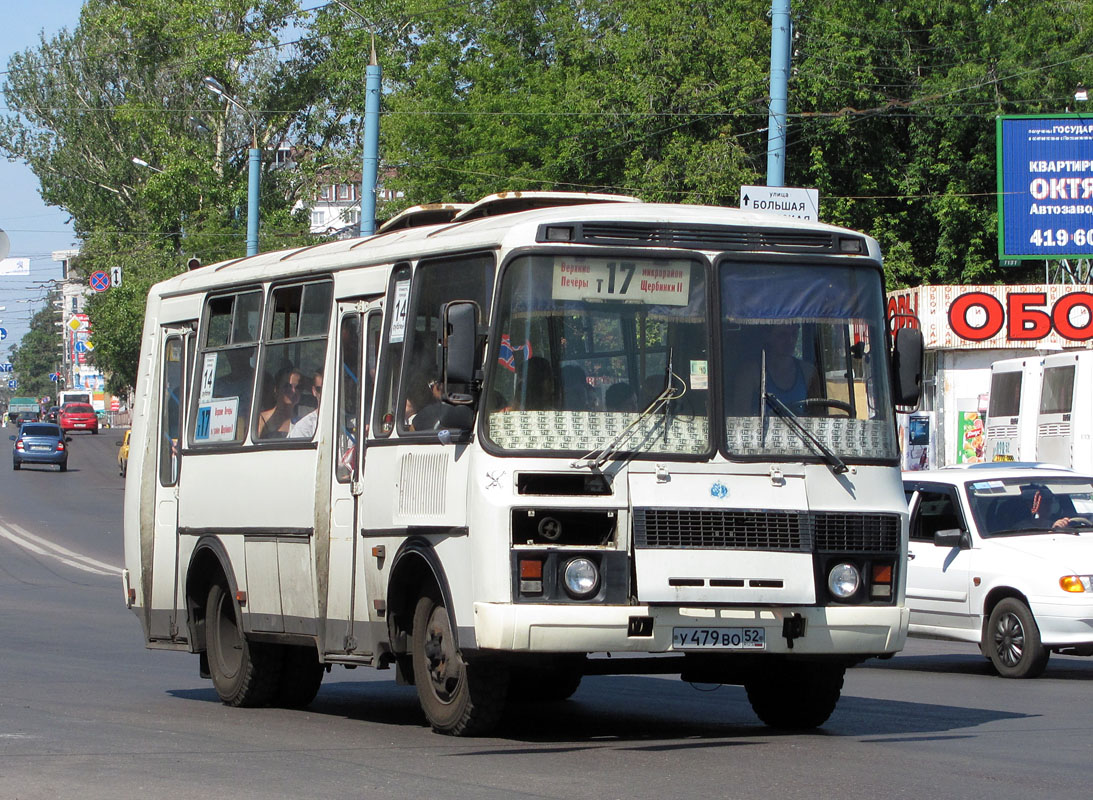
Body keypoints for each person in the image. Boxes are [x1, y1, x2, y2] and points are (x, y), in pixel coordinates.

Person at [257, 367, 302, 439]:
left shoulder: (302, 423)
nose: (293, 391)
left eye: (297, 387)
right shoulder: (261, 420)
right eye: (287, 386)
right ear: (276, 389)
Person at [288, 367, 323, 438]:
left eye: (329, 388)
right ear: (314, 391)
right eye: (319, 389)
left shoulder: (351, 424)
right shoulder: (303, 428)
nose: (324, 392)